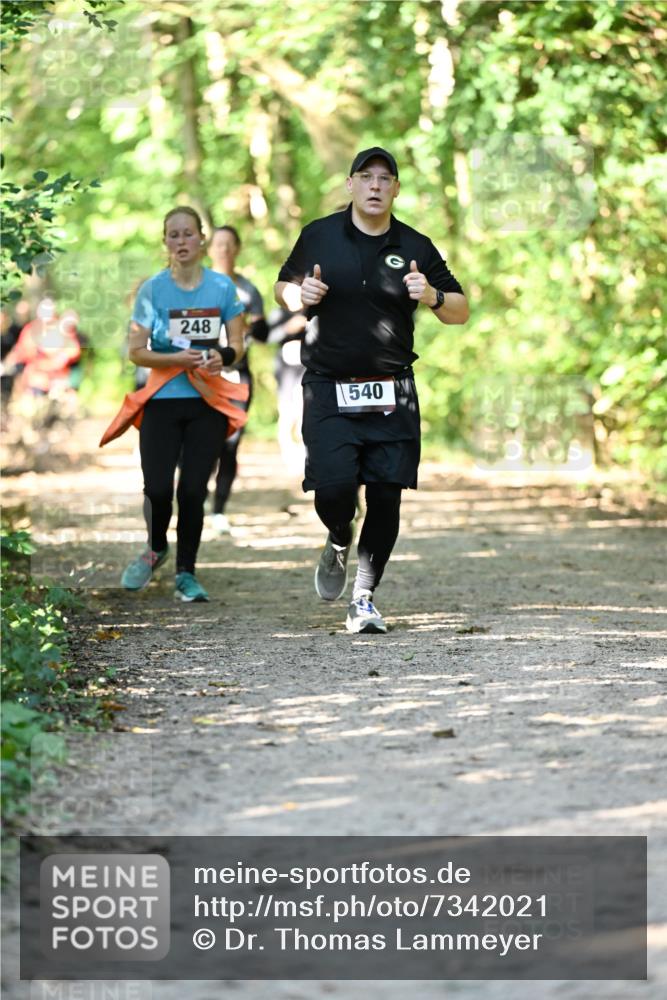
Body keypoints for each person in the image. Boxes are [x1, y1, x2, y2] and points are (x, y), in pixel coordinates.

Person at [274, 147, 469, 634]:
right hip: (328, 386)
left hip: (392, 390)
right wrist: (299, 296)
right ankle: (338, 537)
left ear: (397, 189)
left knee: (386, 495)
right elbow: (283, 284)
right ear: (351, 185)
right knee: (334, 490)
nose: (376, 186)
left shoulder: (416, 245)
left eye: (386, 178)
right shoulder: (318, 235)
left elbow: (460, 309)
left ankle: (363, 597)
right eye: (367, 177)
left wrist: (433, 296)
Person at [100, 206, 248, 602]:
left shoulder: (221, 288)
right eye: (173, 235)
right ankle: (156, 547)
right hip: (163, 399)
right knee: (158, 487)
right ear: (165, 242)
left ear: (201, 239)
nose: (181, 242)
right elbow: (136, 351)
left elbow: (238, 342)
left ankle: (187, 573)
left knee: (194, 489)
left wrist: (223, 356)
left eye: (188, 234)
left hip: (207, 400)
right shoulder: (153, 289)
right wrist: (175, 361)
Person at [207, 225, 268, 534]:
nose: (224, 249)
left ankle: (218, 509)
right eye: (219, 244)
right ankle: (195, 491)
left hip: (237, 375)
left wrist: (246, 328)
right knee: (200, 442)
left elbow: (264, 331)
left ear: (238, 249)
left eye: (230, 244)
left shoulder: (248, 290)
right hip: (200, 376)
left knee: (230, 444)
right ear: (209, 249)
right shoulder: (196, 285)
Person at [266, 305, 308, 474]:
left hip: (306, 370)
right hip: (285, 373)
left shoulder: (313, 310)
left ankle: (304, 456)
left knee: (305, 413)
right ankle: (288, 455)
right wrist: (289, 328)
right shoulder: (279, 312)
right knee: (287, 413)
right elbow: (268, 337)